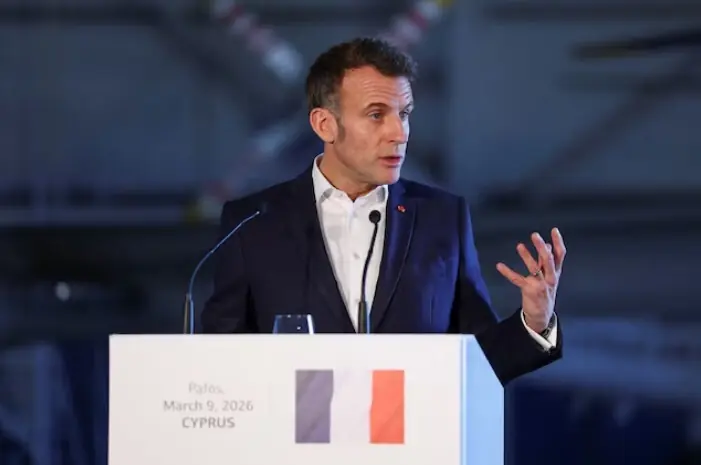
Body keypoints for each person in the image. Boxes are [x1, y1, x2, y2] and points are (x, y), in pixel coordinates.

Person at [201, 37, 565, 385]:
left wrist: (535, 322)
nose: (399, 133)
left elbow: (480, 361)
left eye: (403, 114)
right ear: (325, 125)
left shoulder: (441, 219)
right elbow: (221, 360)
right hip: (297, 427)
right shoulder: (253, 222)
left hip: (413, 427)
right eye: (376, 115)